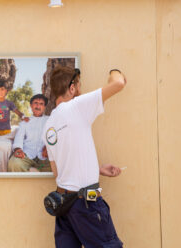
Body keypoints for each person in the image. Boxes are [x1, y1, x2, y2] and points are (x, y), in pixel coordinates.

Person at [43, 67, 126, 247]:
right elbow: (118, 83)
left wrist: (96, 169)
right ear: (72, 88)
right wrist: (114, 71)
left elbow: (58, 172)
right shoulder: (77, 105)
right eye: (79, 85)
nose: (80, 90)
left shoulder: (48, 126)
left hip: (63, 203)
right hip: (85, 203)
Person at [0, 80, 29, 171]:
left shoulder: (9, 103)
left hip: (6, 131)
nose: (0, 92)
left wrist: (23, 117)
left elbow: (18, 112)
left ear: (6, 91)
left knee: (7, 144)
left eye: (2, 89)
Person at [8, 94, 51, 172]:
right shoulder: (25, 121)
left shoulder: (50, 120)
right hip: (27, 154)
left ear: (44, 107)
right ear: (31, 106)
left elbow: (54, 136)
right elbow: (19, 138)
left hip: (45, 155)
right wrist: (18, 149)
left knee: (60, 164)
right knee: (14, 163)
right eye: (36, 103)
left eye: (41, 104)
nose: (38, 106)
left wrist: (49, 147)